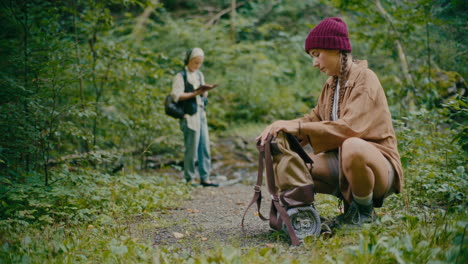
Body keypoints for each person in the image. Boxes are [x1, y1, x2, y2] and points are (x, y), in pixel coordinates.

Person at [257, 17, 403, 226]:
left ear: (336, 49)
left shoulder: (365, 78)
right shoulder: (332, 83)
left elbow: (350, 129)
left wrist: (298, 126)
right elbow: (314, 119)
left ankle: (363, 214)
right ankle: (303, 217)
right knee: (296, 165)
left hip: (379, 165)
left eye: (317, 55)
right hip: (342, 162)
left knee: (352, 145)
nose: (314, 63)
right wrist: (280, 128)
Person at [171, 48, 219, 187]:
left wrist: (204, 91)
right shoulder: (180, 76)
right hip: (189, 115)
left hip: (201, 113)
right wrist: (195, 93)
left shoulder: (199, 75)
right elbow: (177, 95)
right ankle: (190, 179)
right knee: (191, 148)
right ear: (188, 61)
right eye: (195, 62)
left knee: (204, 147)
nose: (197, 65)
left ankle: (205, 178)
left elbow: (203, 96)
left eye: (199, 63)